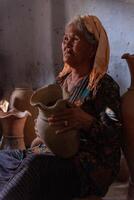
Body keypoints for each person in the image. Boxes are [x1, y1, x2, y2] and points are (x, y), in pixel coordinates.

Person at [0, 15, 121, 200]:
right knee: (5, 158)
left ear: (92, 49)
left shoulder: (104, 86)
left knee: (35, 165)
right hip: (50, 153)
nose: (67, 44)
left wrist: (86, 121)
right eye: (65, 38)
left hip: (85, 167)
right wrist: (41, 132)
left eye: (75, 39)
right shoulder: (61, 81)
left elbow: (114, 133)